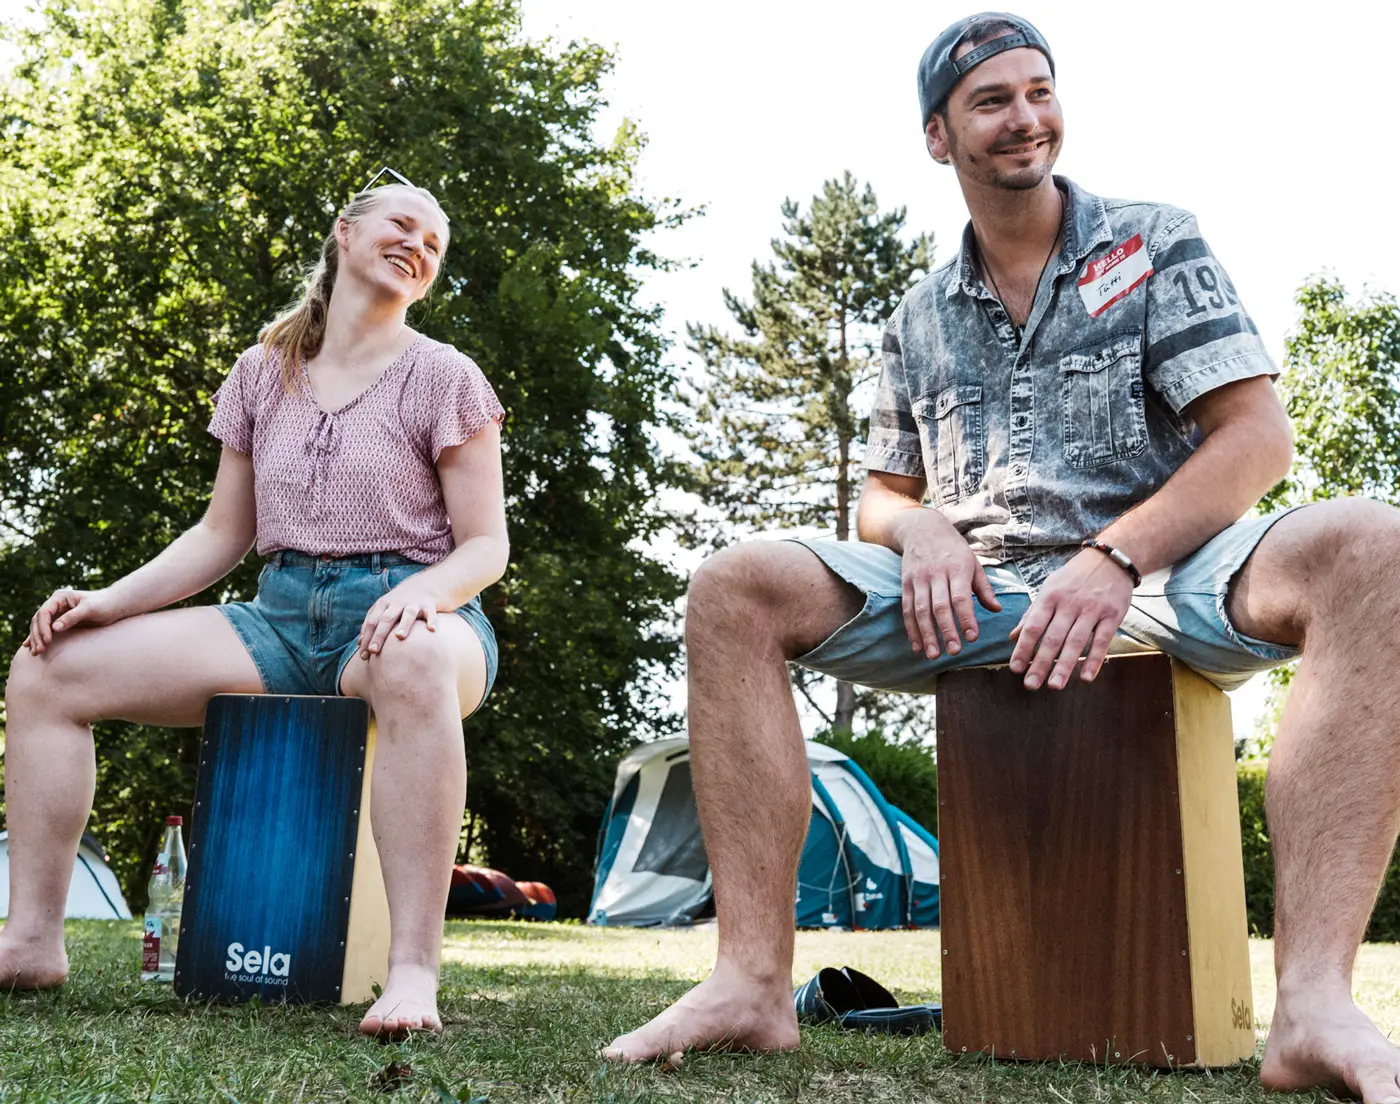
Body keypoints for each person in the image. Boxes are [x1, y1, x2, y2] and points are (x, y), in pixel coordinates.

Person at [604, 12, 1400, 1102]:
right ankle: (748, 982)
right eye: (990, 100)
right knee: (732, 584)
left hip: (1169, 578)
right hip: (975, 601)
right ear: (939, 138)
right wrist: (920, 527)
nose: (1025, 116)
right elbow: (881, 493)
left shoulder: (1151, 240)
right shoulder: (917, 317)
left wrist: (1112, 557)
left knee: (1374, 544)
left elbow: (1256, 438)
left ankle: (1311, 1002)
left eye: (1039, 89)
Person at [1, 169, 507, 1039]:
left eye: (433, 245)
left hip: (422, 614)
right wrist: (109, 601)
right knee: (47, 668)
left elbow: (485, 548)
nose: (417, 247)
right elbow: (220, 535)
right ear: (345, 235)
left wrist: (422, 597)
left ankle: (413, 975)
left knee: (412, 653)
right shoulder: (261, 372)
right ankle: (32, 941)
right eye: (402, 224)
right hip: (277, 617)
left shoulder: (444, 376)